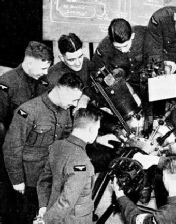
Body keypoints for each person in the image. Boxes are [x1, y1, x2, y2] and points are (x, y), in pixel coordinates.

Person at [3, 72, 83, 224]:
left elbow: (66, 140)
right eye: (74, 99)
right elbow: (11, 148)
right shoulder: (28, 111)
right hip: (29, 179)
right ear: (61, 90)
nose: (74, 104)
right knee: (26, 217)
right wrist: (17, 180)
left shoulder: (64, 110)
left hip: (49, 176)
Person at [0, 41, 53, 222]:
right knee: (11, 202)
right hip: (12, 152)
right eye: (43, 68)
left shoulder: (44, 81)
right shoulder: (7, 84)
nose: (46, 73)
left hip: (37, 154)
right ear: (30, 63)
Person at [37, 107, 102, 224]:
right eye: (97, 129)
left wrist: (43, 207)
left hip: (53, 211)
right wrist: (45, 221)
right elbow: (67, 201)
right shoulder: (82, 162)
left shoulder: (56, 146)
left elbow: (44, 180)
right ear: (91, 129)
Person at [112, 156, 176, 224]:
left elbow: (134, 219)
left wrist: (120, 195)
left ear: (165, 177)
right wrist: (157, 160)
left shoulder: (164, 217)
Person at [91, 18, 147, 93]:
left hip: (145, 81)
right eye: (118, 47)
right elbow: (96, 71)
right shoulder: (104, 47)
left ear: (132, 36)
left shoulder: (144, 34)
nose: (123, 50)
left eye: (126, 45)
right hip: (121, 85)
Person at [46, 33, 94, 111]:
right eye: (72, 60)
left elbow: (93, 86)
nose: (78, 63)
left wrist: (86, 97)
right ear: (62, 58)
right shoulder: (52, 76)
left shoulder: (86, 63)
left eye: (80, 56)